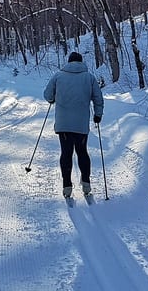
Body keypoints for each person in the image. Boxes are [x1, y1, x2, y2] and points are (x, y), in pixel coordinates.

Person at [43, 51, 103, 198]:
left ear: (69, 62)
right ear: (81, 62)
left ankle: (67, 186)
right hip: (81, 124)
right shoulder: (89, 77)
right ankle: (86, 183)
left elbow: (47, 95)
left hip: (63, 124)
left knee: (66, 153)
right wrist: (98, 114)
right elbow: (98, 98)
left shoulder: (58, 76)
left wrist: (53, 99)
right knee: (82, 151)